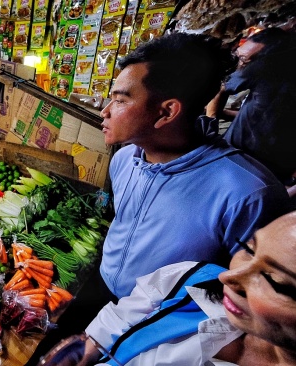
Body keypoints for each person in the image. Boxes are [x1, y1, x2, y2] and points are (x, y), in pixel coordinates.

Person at [98, 32, 292, 300]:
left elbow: (252, 296)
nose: (105, 111)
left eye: (120, 100)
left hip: (167, 328)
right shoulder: (124, 159)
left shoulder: (247, 194)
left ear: (167, 112)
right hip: (105, 296)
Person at [62, 210, 296, 365]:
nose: (228, 276)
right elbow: (126, 315)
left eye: (274, 280)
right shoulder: (196, 279)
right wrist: (86, 351)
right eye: (249, 249)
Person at [207, 28, 296, 185]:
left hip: (242, 156)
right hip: (269, 166)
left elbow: (220, 90)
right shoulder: (279, 66)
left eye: (244, 59)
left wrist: (208, 125)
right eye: (240, 57)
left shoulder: (265, 66)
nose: (241, 63)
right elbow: (269, 113)